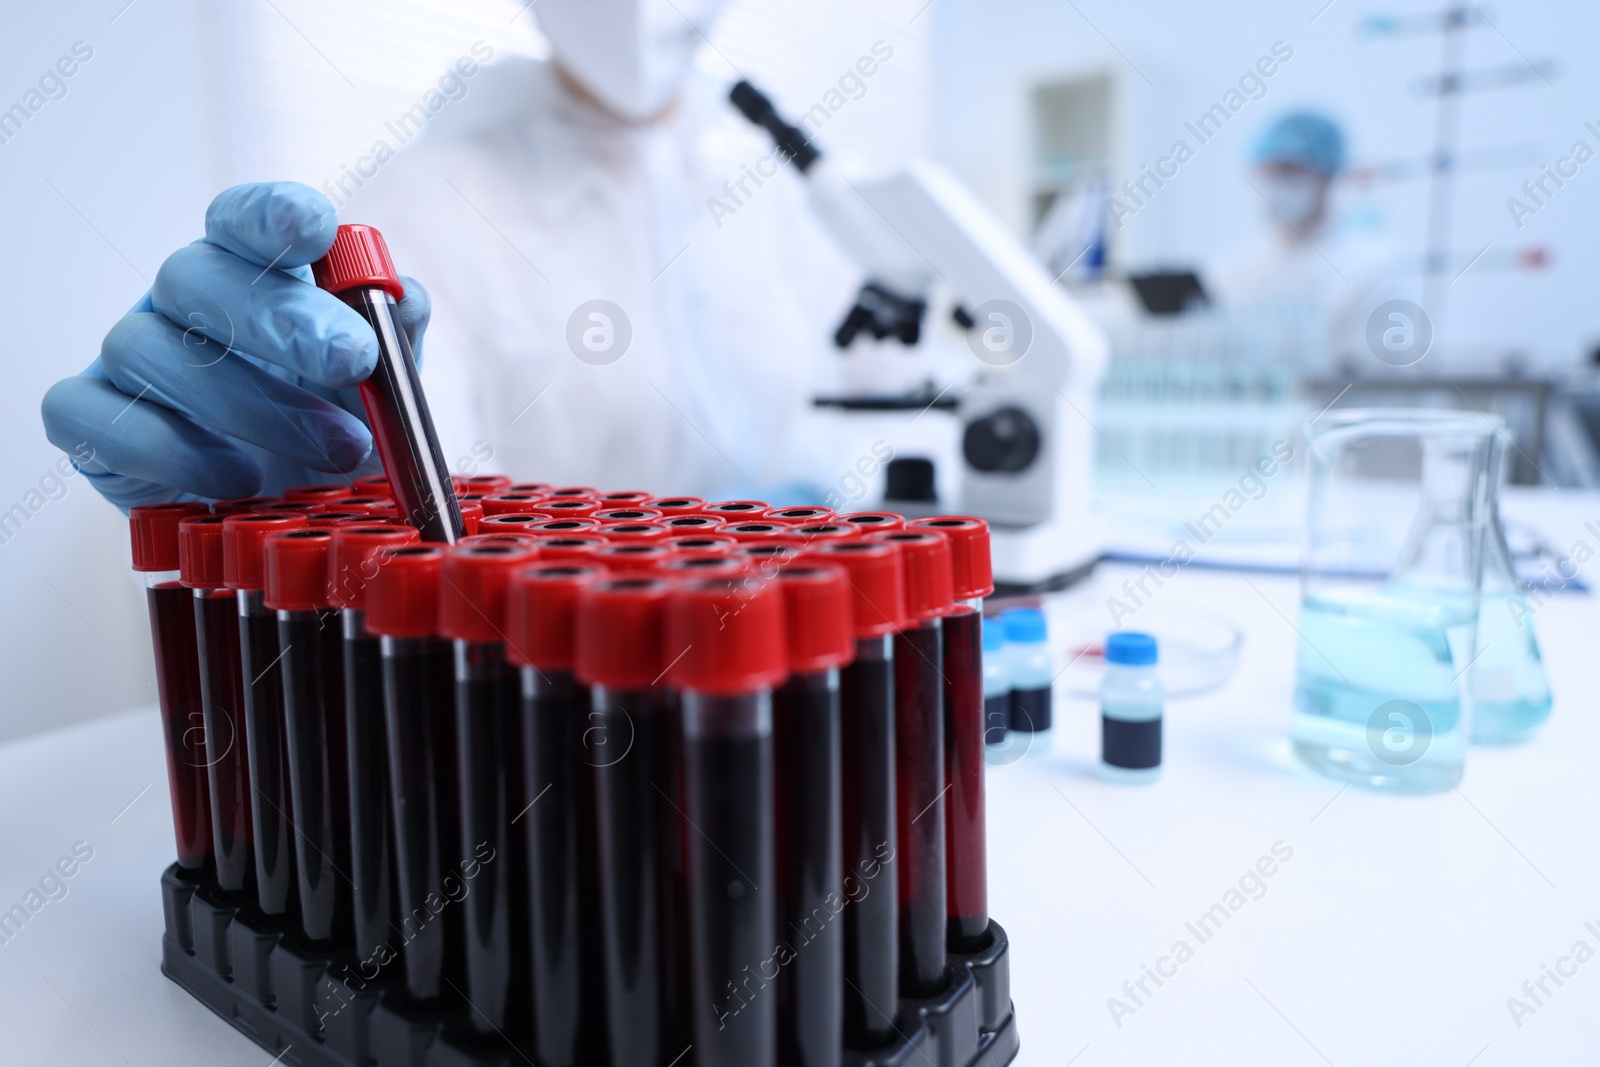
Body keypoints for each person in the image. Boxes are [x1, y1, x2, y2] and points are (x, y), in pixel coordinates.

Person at [41, 0, 858, 510]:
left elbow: (873, 417)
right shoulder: (426, 201)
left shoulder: (775, 196)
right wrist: (322, 481)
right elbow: (443, 517)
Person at [1206, 110, 1398, 369]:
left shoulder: (1372, 266)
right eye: (1267, 173)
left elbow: (1379, 375)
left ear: (1328, 175)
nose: (1275, 186)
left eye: (1290, 172)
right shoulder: (1233, 270)